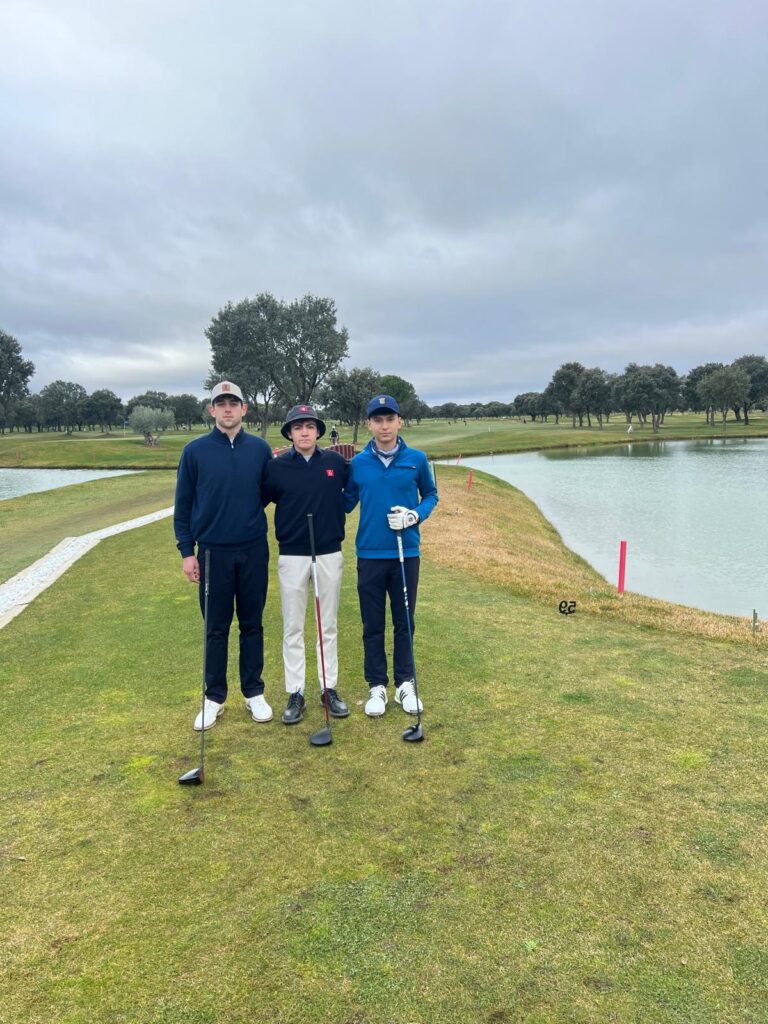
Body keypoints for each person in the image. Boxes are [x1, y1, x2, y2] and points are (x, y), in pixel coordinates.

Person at [173, 380, 273, 731]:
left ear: (244, 409)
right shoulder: (195, 451)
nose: (227, 409)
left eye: (233, 403)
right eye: (221, 403)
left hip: (253, 550)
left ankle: (253, 691)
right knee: (215, 628)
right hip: (212, 553)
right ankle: (214, 697)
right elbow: (183, 506)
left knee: (252, 623)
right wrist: (187, 552)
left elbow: (264, 493)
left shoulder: (259, 449)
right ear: (212, 409)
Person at [344, 394, 438, 718]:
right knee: (372, 623)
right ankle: (376, 686)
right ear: (369, 424)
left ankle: (404, 683)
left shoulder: (417, 459)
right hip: (370, 554)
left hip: (406, 552)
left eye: (389, 419)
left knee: (404, 621)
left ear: (400, 421)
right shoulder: (358, 464)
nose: (384, 426)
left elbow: (431, 495)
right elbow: (345, 502)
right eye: (378, 420)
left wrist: (414, 515)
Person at [263, 405, 350, 725]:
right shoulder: (277, 467)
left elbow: (351, 495)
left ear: (318, 432)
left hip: (328, 553)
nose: (304, 432)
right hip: (292, 555)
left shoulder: (335, 463)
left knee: (327, 625)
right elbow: (260, 499)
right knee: (293, 626)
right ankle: (296, 692)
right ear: (290, 433)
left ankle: (328, 688)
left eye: (310, 426)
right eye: (298, 427)